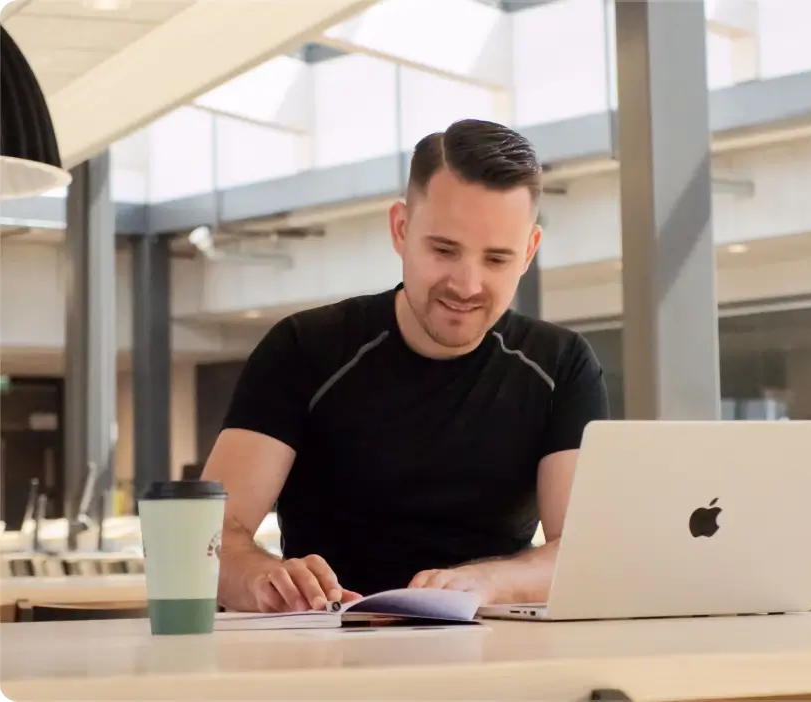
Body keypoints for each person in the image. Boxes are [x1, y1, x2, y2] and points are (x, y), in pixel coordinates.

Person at [201, 118, 610, 614]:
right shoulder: (304, 348)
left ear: (528, 252)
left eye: (497, 260)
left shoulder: (559, 365)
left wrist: (487, 582)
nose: (466, 284)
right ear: (401, 228)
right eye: (444, 250)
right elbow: (208, 535)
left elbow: (585, 550)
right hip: (328, 650)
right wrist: (263, 578)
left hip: (494, 654)